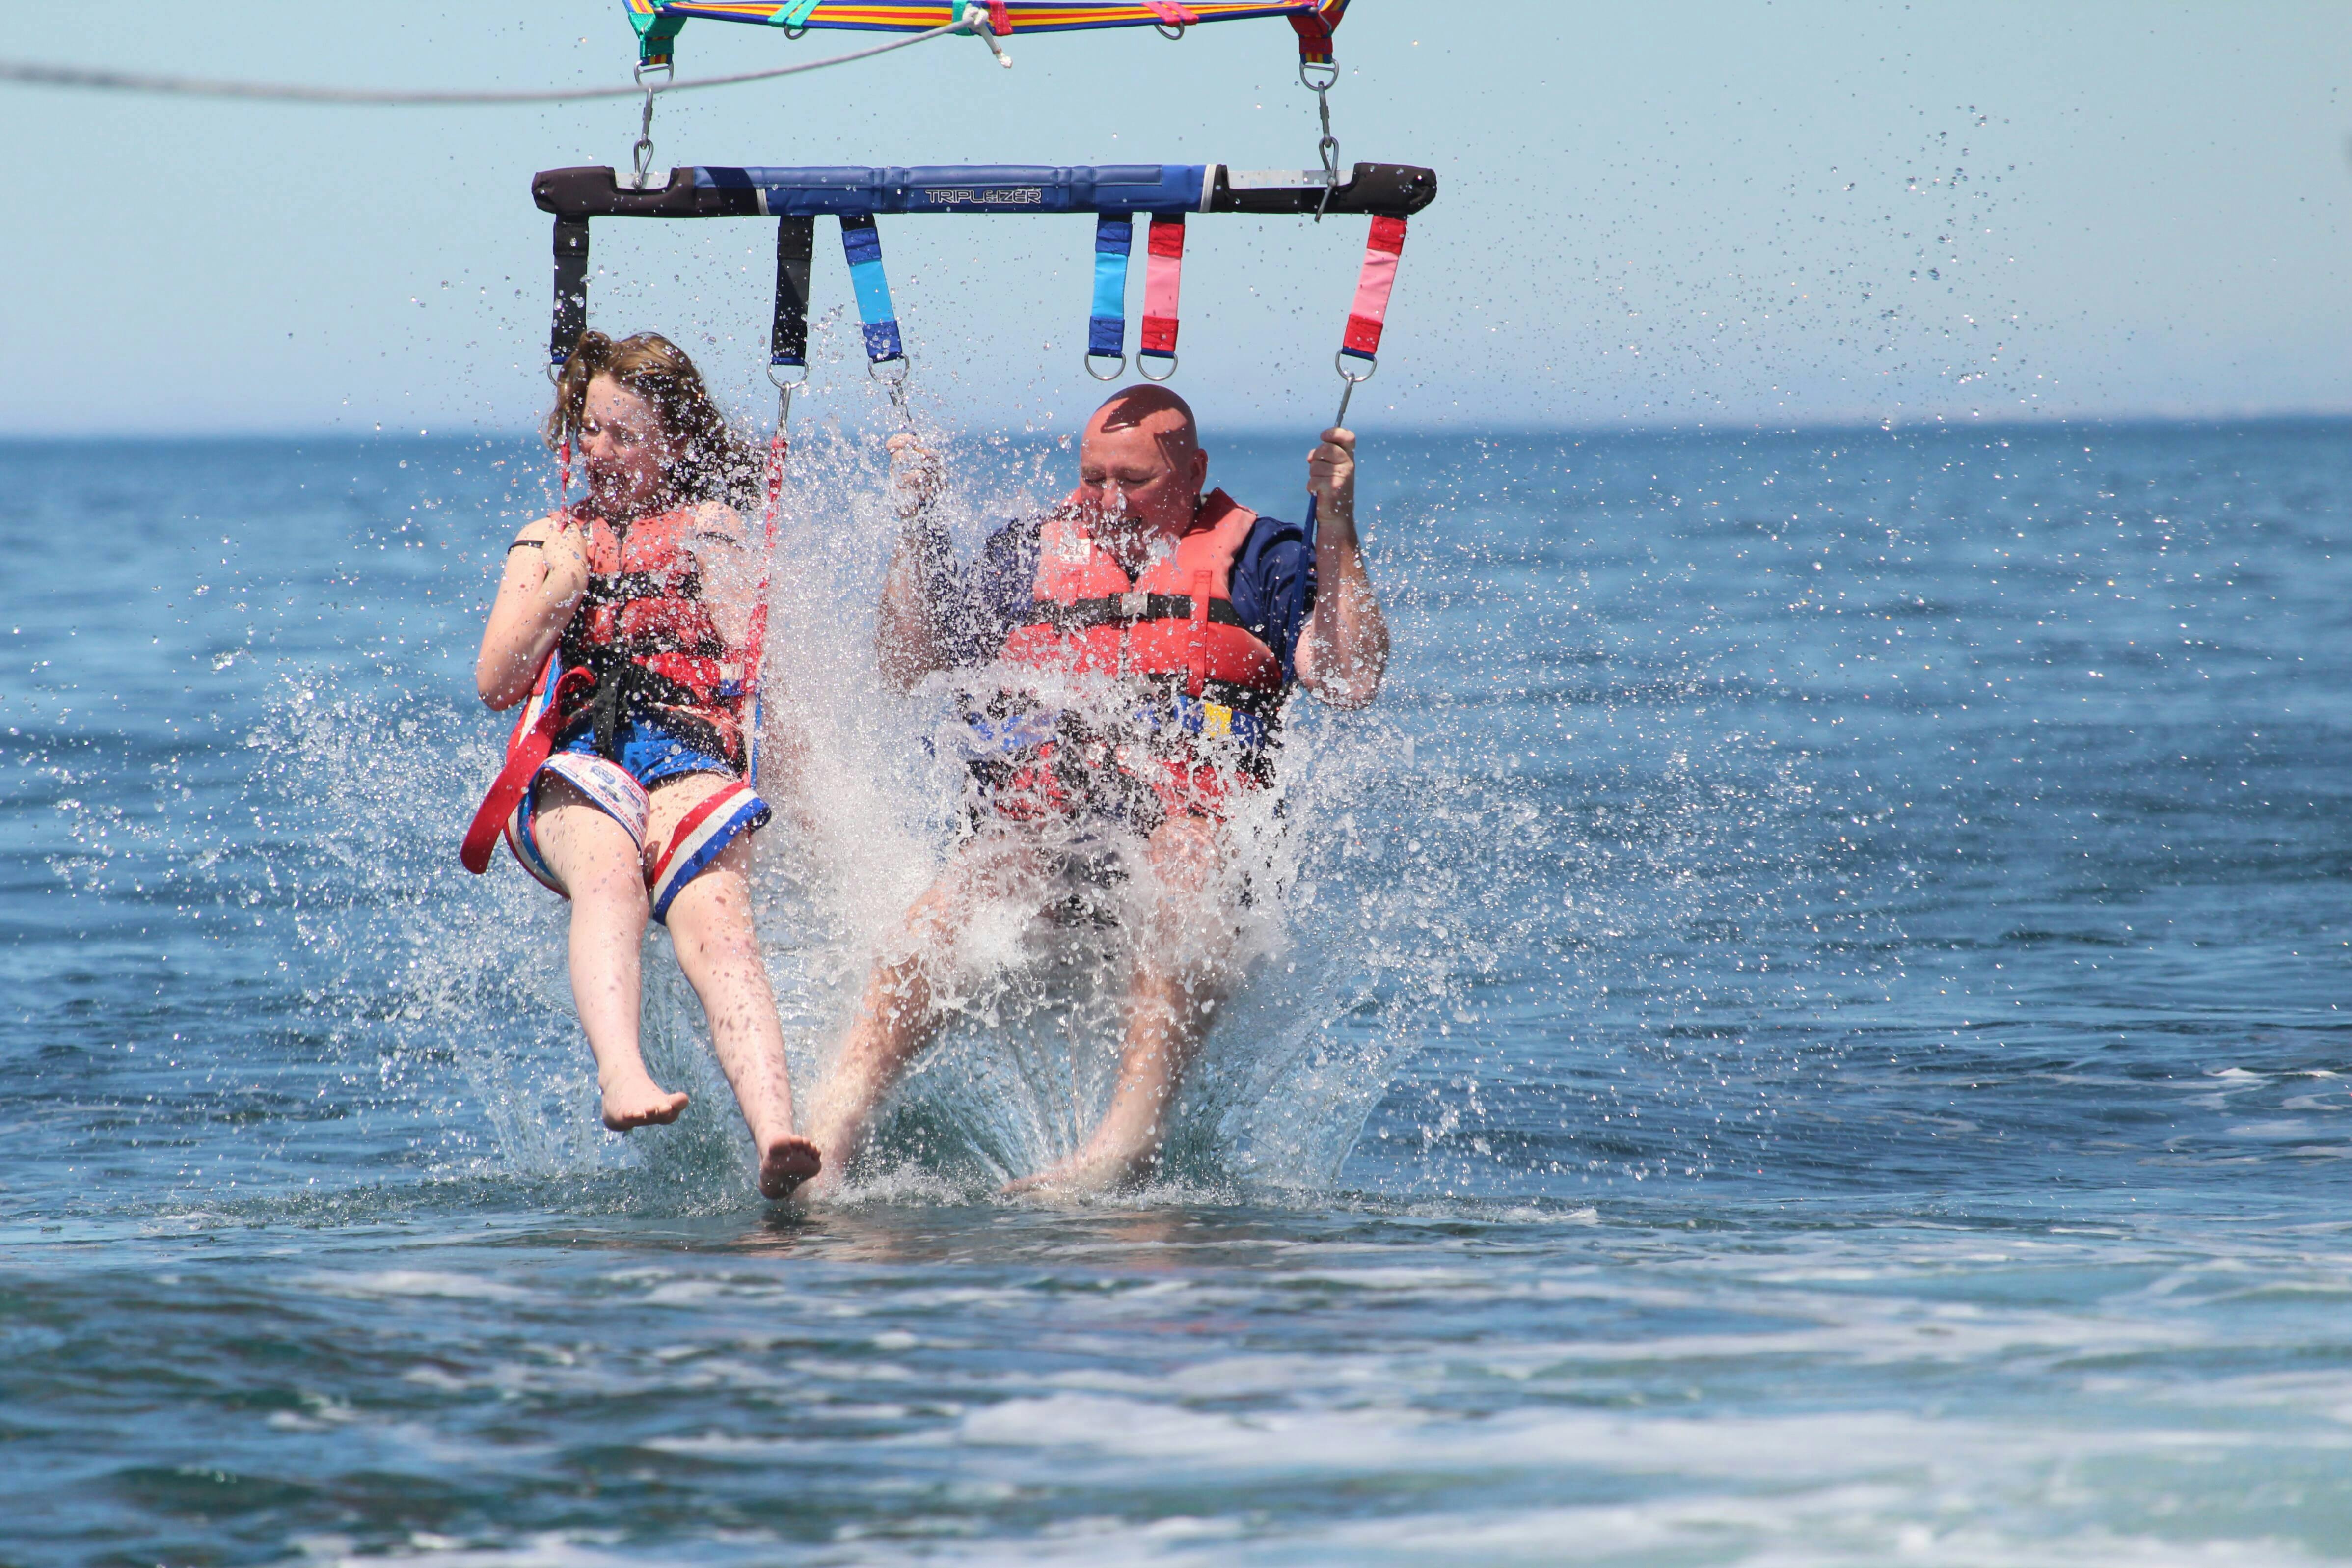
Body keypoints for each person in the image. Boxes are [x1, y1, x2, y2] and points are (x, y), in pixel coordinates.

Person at [804, 385, 1389, 1194]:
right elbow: (909, 663)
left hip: (1195, 845)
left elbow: (1352, 676)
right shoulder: (1026, 555)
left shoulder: (1266, 559)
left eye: (1135, 482)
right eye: (1093, 478)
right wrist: (916, 524)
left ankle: (1126, 1142)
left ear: (1195, 471)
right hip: (1050, 845)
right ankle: (827, 1136)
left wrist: (1337, 525)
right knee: (959, 893)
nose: (1108, 503)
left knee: (1181, 857)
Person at [471, 330, 820, 1200]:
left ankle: (776, 1129)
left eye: (627, 436)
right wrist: (559, 592)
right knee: (612, 879)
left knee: (720, 918)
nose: (603, 453)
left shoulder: (713, 530)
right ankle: (620, 1074)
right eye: (592, 431)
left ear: (676, 443)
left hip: (688, 753)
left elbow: (755, 664)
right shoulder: (549, 538)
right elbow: (494, 683)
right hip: (578, 757)